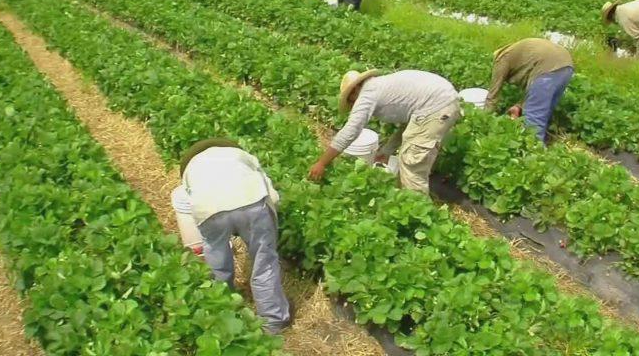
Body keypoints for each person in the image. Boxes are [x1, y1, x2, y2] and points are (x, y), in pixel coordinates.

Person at [180, 138, 290, 334]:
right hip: (252, 200)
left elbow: (190, 204)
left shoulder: (192, 168)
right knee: (264, 262)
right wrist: (264, 224)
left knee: (218, 261)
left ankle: (224, 311)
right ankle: (272, 321)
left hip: (208, 209)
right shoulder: (242, 157)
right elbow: (273, 196)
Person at [308, 70, 460, 194]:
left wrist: (322, 162)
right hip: (444, 102)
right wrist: (386, 151)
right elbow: (409, 127)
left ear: (354, 90)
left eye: (351, 101)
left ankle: (417, 215)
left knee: (411, 163)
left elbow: (351, 130)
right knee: (415, 153)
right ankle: (411, 194)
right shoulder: (379, 86)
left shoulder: (367, 94)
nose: (354, 105)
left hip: (437, 106)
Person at [486, 38, 574, 145]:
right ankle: (544, 145)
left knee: (533, 122)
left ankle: (535, 154)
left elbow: (493, 95)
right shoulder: (519, 54)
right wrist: (520, 106)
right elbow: (534, 91)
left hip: (547, 68)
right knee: (543, 111)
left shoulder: (501, 59)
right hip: (566, 65)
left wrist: (485, 119)